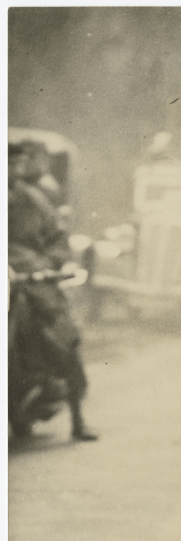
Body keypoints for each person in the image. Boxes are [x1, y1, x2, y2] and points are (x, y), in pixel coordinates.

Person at [8, 142, 96, 441]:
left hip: (33, 280)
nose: (13, 170)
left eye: (18, 164)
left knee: (63, 338)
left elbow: (58, 237)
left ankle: (78, 420)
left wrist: (48, 262)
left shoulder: (34, 199)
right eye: (8, 164)